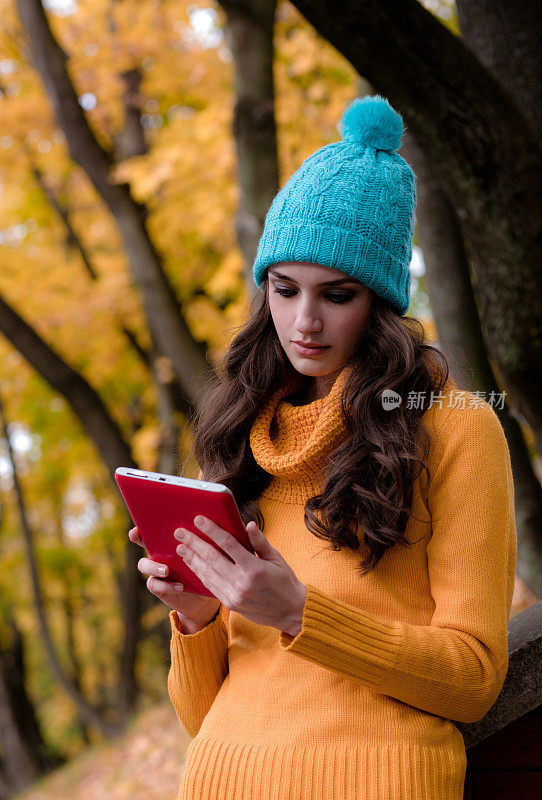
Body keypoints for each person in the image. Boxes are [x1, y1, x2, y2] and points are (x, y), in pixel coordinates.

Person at [128, 95, 517, 800]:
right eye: (284, 289)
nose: (303, 321)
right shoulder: (242, 431)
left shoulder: (454, 425)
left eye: (336, 295)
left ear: (380, 301)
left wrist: (298, 612)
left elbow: (474, 678)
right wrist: (198, 614)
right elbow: (201, 716)